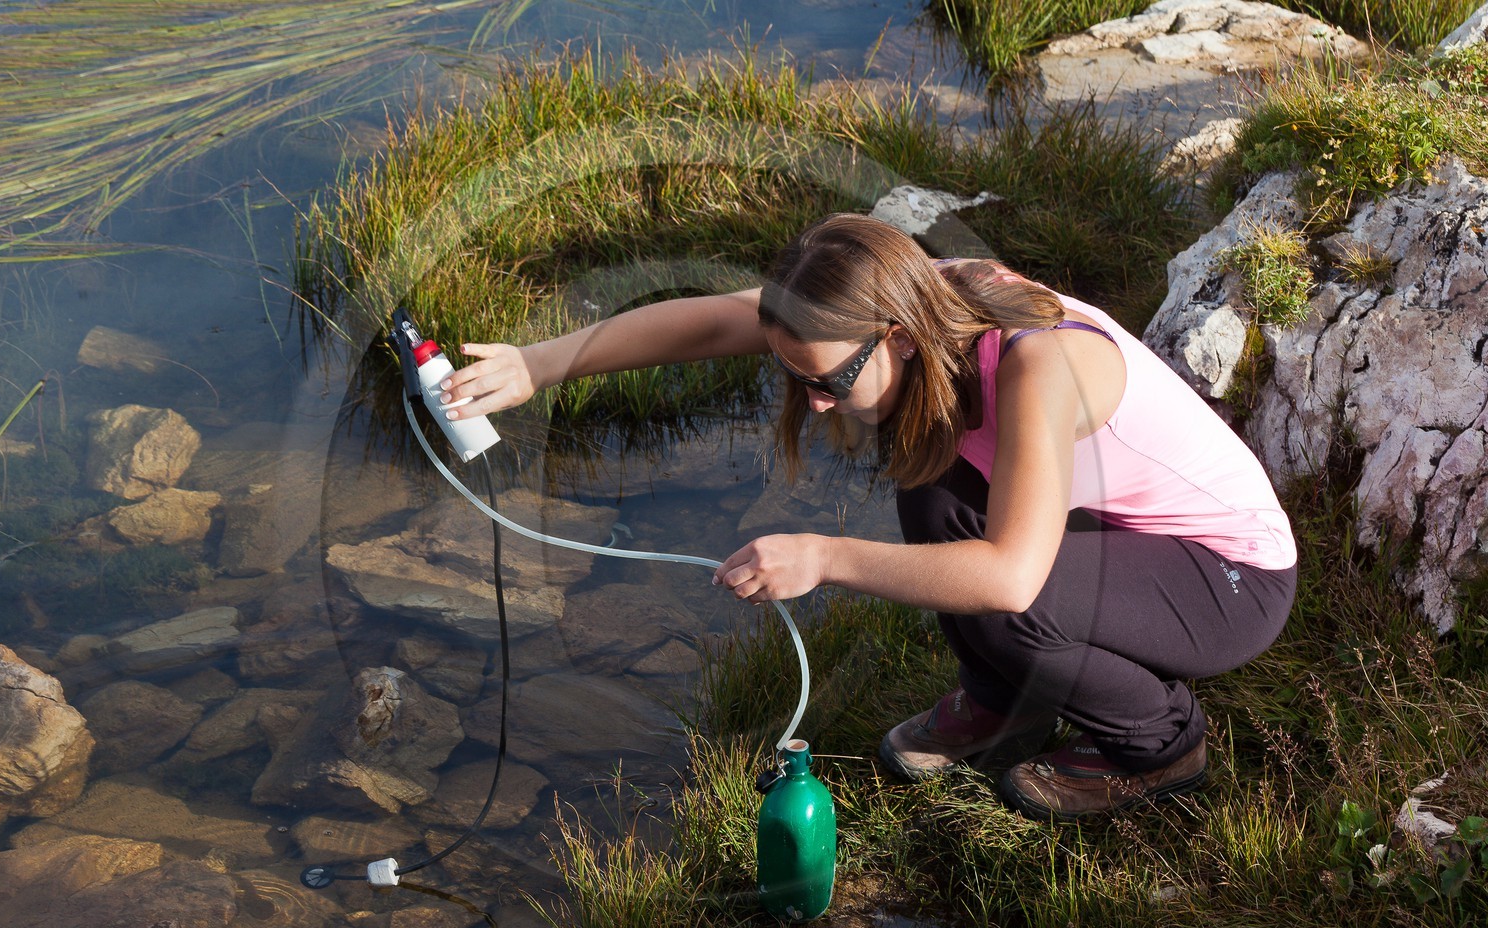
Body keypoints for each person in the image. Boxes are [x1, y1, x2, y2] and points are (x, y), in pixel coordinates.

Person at [440, 213, 1297, 819]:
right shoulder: (919, 300)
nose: (814, 405)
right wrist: (539, 363)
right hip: (1132, 538)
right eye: (795, 379)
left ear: (897, 334)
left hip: (1231, 578)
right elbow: (707, 325)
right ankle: (1005, 701)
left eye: (829, 381)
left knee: (1014, 597)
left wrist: (823, 555)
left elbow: (1010, 572)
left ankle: (1160, 744)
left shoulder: (1041, 368)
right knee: (929, 471)